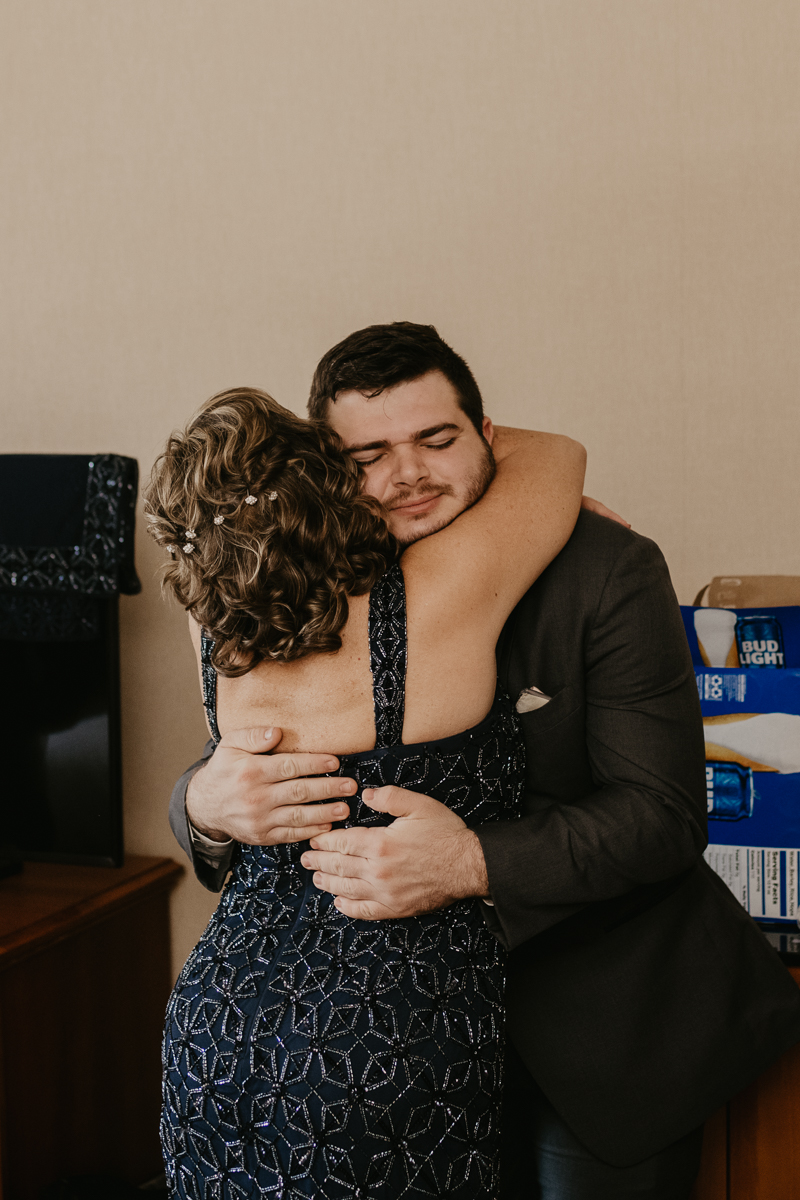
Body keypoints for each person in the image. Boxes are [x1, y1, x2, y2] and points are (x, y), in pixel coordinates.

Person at [172, 323, 800, 1200]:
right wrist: (203, 802)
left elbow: (662, 814)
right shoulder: (305, 574)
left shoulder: (605, 567)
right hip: (380, 1053)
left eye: (438, 439)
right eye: (370, 454)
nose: (409, 475)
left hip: (595, 1024)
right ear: (327, 470)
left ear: (488, 436)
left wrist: (470, 861)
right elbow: (240, 751)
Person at [146, 383, 586, 1198]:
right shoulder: (440, 595)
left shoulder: (215, 624)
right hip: (384, 1034)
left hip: (216, 1027)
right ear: (330, 488)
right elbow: (556, 457)